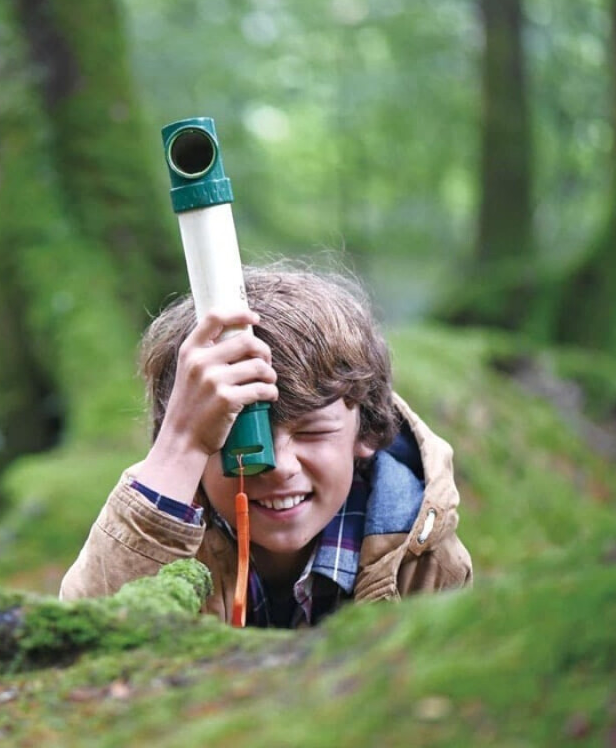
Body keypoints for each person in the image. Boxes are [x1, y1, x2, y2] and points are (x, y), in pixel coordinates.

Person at [60, 264, 472, 627]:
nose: (277, 466)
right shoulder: (162, 534)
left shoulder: (424, 561)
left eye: (311, 432)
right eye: (234, 435)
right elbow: (85, 653)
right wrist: (179, 446)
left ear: (367, 431)